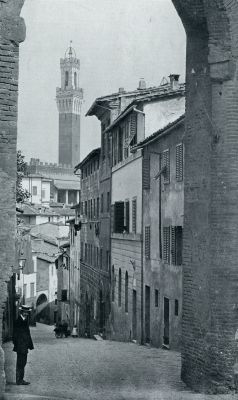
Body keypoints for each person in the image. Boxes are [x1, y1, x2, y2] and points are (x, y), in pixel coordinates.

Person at [13, 305, 34, 385]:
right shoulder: (18, 321)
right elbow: (15, 334)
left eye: (27, 312)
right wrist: (17, 344)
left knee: (23, 362)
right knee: (20, 363)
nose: (27, 314)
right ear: (22, 312)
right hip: (20, 345)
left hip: (24, 346)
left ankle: (20, 379)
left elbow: (27, 334)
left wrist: (29, 345)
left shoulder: (25, 320)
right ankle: (19, 380)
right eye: (25, 312)